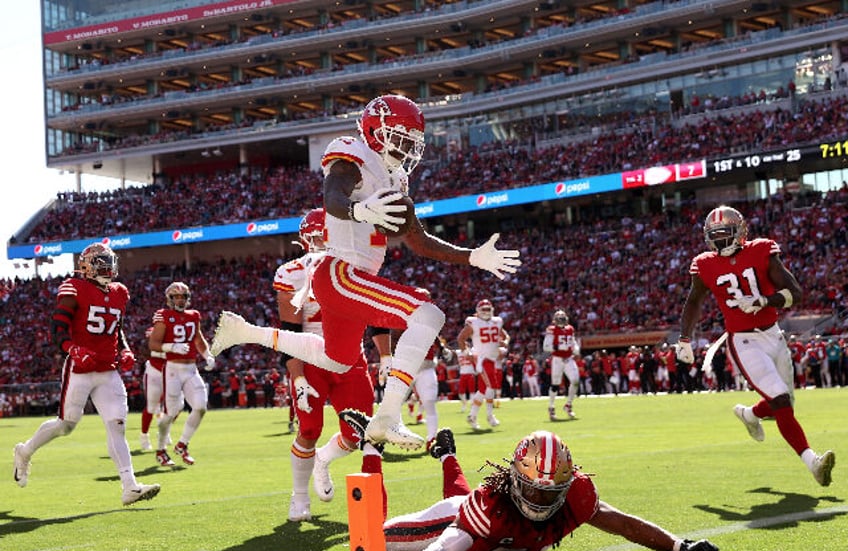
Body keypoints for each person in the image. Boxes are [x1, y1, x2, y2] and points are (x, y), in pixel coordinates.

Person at [210, 94, 521, 451]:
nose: (408, 146)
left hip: (351, 280)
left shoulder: (396, 178)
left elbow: (417, 240)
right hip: (342, 271)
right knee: (429, 313)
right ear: (377, 129)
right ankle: (387, 418)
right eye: (401, 135)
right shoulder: (352, 155)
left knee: (337, 359)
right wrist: (358, 211)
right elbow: (332, 198)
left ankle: (246, 331)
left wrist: (471, 257)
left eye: (412, 139)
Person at [385, 428, 719, 551]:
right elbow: (448, 543)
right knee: (376, 537)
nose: (539, 500)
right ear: (516, 479)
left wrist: (679, 545)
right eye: (533, 490)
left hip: (481, 529)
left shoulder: (577, 493)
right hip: (454, 522)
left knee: (460, 499)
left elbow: (623, 524)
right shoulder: (490, 503)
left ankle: (446, 455)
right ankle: (372, 448)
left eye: (549, 493)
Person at [676, 205, 835, 486]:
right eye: (716, 235)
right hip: (744, 340)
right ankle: (814, 463)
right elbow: (694, 300)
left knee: (782, 403)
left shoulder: (761, 250)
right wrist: (684, 338)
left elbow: (795, 294)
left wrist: (764, 300)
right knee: (781, 400)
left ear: (740, 232)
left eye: (725, 233)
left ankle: (748, 414)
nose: (721, 240)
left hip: (773, 335)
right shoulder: (704, 263)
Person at [12, 243, 160, 506]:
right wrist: (73, 349)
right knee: (66, 425)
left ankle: (130, 486)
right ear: (87, 266)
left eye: (109, 262)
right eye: (101, 262)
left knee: (117, 424)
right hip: (80, 368)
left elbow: (118, 329)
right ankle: (25, 451)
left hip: (107, 369)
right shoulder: (74, 288)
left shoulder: (119, 292)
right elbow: (58, 328)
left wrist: (125, 351)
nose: (108, 267)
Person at [270, 208, 390, 522]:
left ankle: (323, 458)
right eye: (313, 236)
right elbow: (289, 331)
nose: (319, 241)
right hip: (310, 357)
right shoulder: (291, 272)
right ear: (302, 240)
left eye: (325, 233)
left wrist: (386, 357)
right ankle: (298, 497)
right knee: (309, 428)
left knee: (356, 434)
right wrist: (297, 379)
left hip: (350, 359)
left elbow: (375, 315)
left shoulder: (357, 265)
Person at [148, 281, 216, 467]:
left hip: (191, 368)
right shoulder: (164, 316)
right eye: (176, 297)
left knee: (201, 407)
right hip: (173, 370)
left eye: (183, 297)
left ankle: (182, 445)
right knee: (170, 413)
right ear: (169, 299)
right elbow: (153, 344)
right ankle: (161, 450)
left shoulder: (193, 315)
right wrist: (171, 347)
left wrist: (207, 355)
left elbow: (198, 339)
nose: (180, 300)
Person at [456, 299, 510, 430]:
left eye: (487, 309)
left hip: (492, 359)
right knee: (491, 386)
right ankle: (490, 415)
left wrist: (505, 342)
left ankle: (472, 416)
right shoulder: (473, 322)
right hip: (481, 359)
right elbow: (461, 338)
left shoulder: (497, 321)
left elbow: (506, 336)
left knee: (483, 390)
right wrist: (466, 352)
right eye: (483, 309)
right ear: (478, 311)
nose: (486, 312)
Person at [542, 309, 579, 420]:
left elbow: (573, 341)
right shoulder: (551, 330)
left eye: (563, 317)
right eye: (559, 317)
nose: (561, 319)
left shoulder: (570, 329)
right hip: (557, 359)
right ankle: (551, 407)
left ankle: (568, 405)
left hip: (568, 358)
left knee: (575, 381)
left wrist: (576, 347)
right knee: (555, 385)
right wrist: (559, 347)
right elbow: (546, 347)